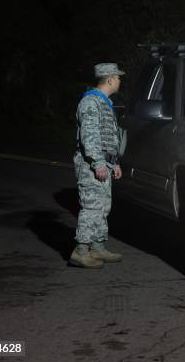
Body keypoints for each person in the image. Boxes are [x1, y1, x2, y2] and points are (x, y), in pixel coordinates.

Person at [70, 63, 127, 268]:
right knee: (92, 206)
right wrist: (98, 162)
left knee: (103, 206)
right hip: (91, 164)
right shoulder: (90, 102)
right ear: (110, 79)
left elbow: (108, 137)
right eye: (118, 77)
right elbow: (90, 135)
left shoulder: (105, 102)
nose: (120, 81)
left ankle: (97, 246)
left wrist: (114, 163)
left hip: (105, 162)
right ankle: (81, 250)